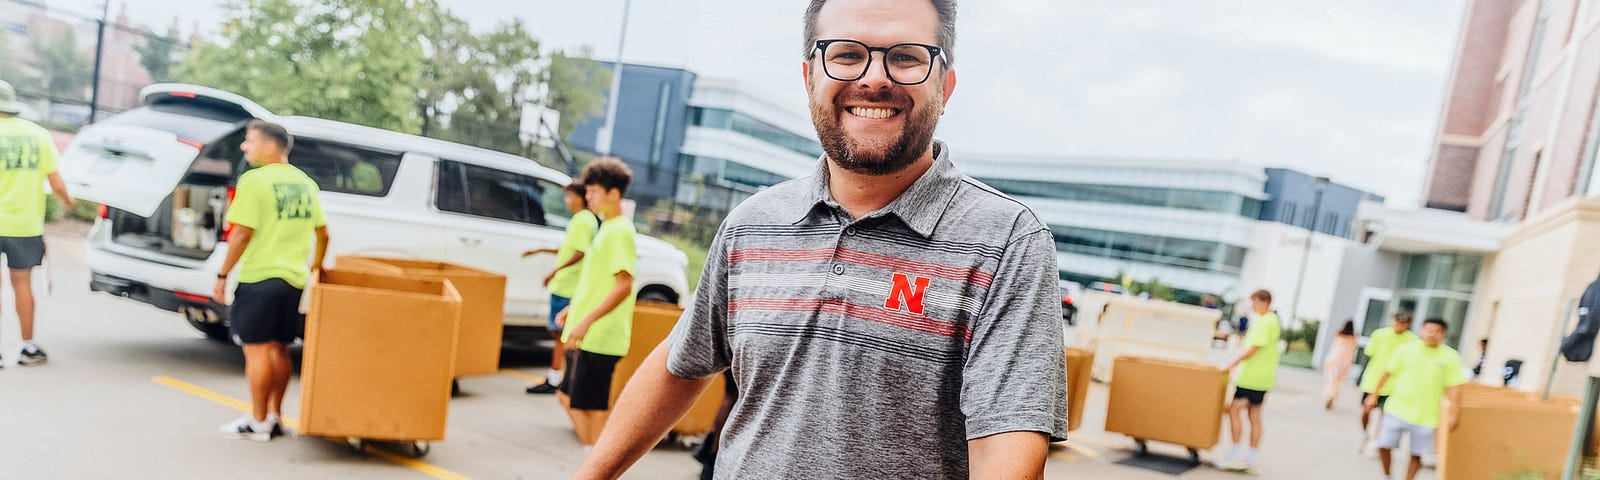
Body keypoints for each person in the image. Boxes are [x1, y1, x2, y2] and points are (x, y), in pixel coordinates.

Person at [575, 1, 1069, 477]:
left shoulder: (1009, 244)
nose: (874, 78)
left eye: (906, 57)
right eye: (847, 54)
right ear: (810, 76)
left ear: (947, 85)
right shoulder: (752, 224)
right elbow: (680, 363)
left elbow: (1006, 449)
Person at [211, 121, 329, 441]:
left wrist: (222, 275)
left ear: (270, 147)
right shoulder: (306, 184)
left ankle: (258, 421)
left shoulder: (255, 180)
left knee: (257, 350)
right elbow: (323, 233)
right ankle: (275, 417)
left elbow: (242, 234)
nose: (243, 147)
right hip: (293, 279)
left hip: (260, 276)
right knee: (278, 348)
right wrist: (315, 268)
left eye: (249, 141)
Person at [556, 158, 636, 451]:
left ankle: (598, 461)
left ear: (613, 194)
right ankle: (594, 456)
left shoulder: (620, 231)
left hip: (601, 337)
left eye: (593, 192)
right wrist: (574, 309)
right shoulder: (606, 227)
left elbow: (624, 285)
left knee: (589, 407)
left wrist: (587, 320)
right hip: (588, 333)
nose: (587, 197)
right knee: (568, 399)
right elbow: (597, 281)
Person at [0, 80, 74, 367]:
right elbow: (56, 182)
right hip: (25, 225)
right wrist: (68, 201)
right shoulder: (38, 135)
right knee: (22, 284)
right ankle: (28, 347)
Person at [1365, 318, 1466, 480]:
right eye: (1428, 330)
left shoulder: (1450, 357)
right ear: (1421, 331)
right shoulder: (1406, 350)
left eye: (1437, 331)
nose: (1432, 334)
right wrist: (1373, 395)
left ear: (1443, 334)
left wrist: (1455, 412)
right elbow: (1387, 372)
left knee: (1416, 454)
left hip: (1427, 416)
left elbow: (1454, 386)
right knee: (1383, 445)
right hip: (1397, 408)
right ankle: (1387, 475)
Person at [524, 182, 599, 394]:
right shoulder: (583, 220)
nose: (566, 200)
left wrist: (554, 272)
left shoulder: (583, 220)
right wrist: (541, 250)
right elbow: (569, 249)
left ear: (580, 197)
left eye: (569, 196)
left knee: (561, 334)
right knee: (558, 333)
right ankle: (561, 377)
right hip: (565, 285)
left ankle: (556, 378)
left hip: (568, 286)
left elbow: (580, 252)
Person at [1221, 289, 1281, 472]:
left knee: (1234, 410)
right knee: (1254, 416)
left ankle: (1236, 454)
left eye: (1254, 302)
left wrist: (1231, 364)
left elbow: (1252, 349)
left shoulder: (1265, 322)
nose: (1252, 306)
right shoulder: (1273, 320)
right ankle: (1251, 458)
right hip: (1262, 378)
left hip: (1251, 378)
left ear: (1265, 302)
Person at [1358, 311, 1418, 453]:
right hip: (1373, 380)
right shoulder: (1379, 334)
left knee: (1384, 416)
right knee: (1366, 411)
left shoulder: (1413, 341)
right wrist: (1360, 377)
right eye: (1396, 322)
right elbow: (1368, 356)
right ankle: (1364, 432)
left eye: (1402, 324)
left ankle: (1375, 441)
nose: (1398, 326)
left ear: (1408, 325)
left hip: (1394, 385)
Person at [1323, 320, 1359, 410]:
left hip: (1334, 360)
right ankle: (1333, 397)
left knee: (1331, 380)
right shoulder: (1353, 338)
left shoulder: (1338, 335)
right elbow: (1352, 352)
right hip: (1345, 362)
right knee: (1339, 381)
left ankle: (1329, 395)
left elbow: (1333, 348)